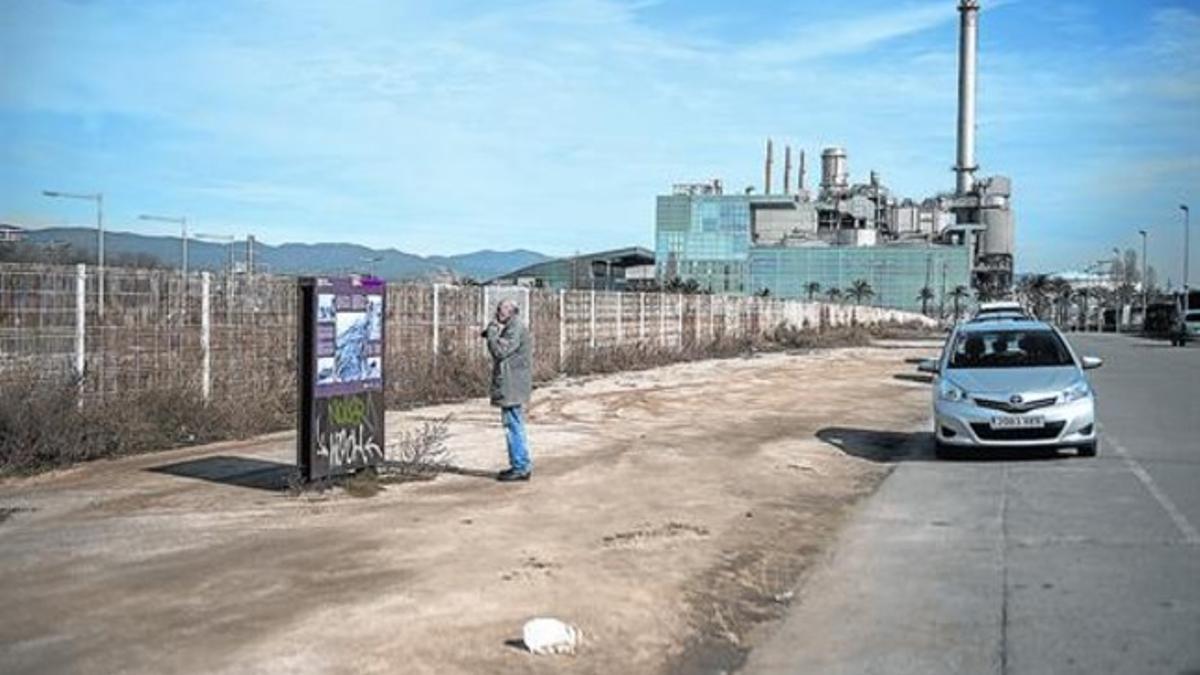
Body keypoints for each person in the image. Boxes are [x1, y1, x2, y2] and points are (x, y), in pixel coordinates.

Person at [483, 299, 534, 481]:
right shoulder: (512, 327)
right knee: (513, 423)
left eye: (501, 310)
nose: (497, 313)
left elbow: (500, 351)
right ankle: (519, 464)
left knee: (513, 424)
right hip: (513, 383)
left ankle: (520, 466)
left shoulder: (515, 328)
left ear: (511, 311)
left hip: (513, 384)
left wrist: (492, 332)